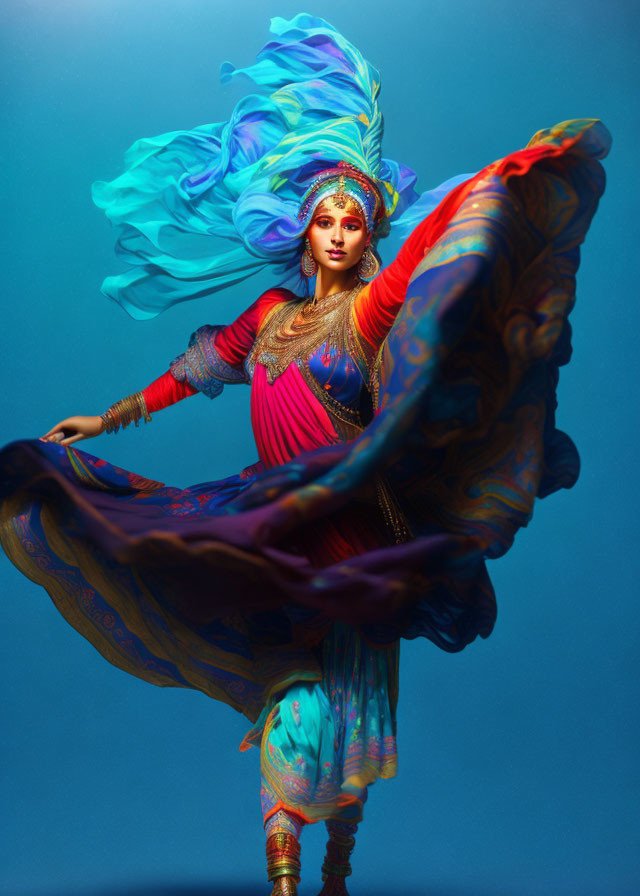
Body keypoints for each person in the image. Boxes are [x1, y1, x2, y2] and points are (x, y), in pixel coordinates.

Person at [0, 14, 610, 896]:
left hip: (359, 530)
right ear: (303, 228)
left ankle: (335, 872)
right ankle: (288, 878)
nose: (335, 233)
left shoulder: (367, 314)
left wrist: (500, 176)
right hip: (273, 526)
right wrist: (106, 419)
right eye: (323, 219)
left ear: (367, 237)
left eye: (352, 223)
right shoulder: (271, 318)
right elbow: (190, 374)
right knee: (294, 703)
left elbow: (437, 241)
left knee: (356, 710)